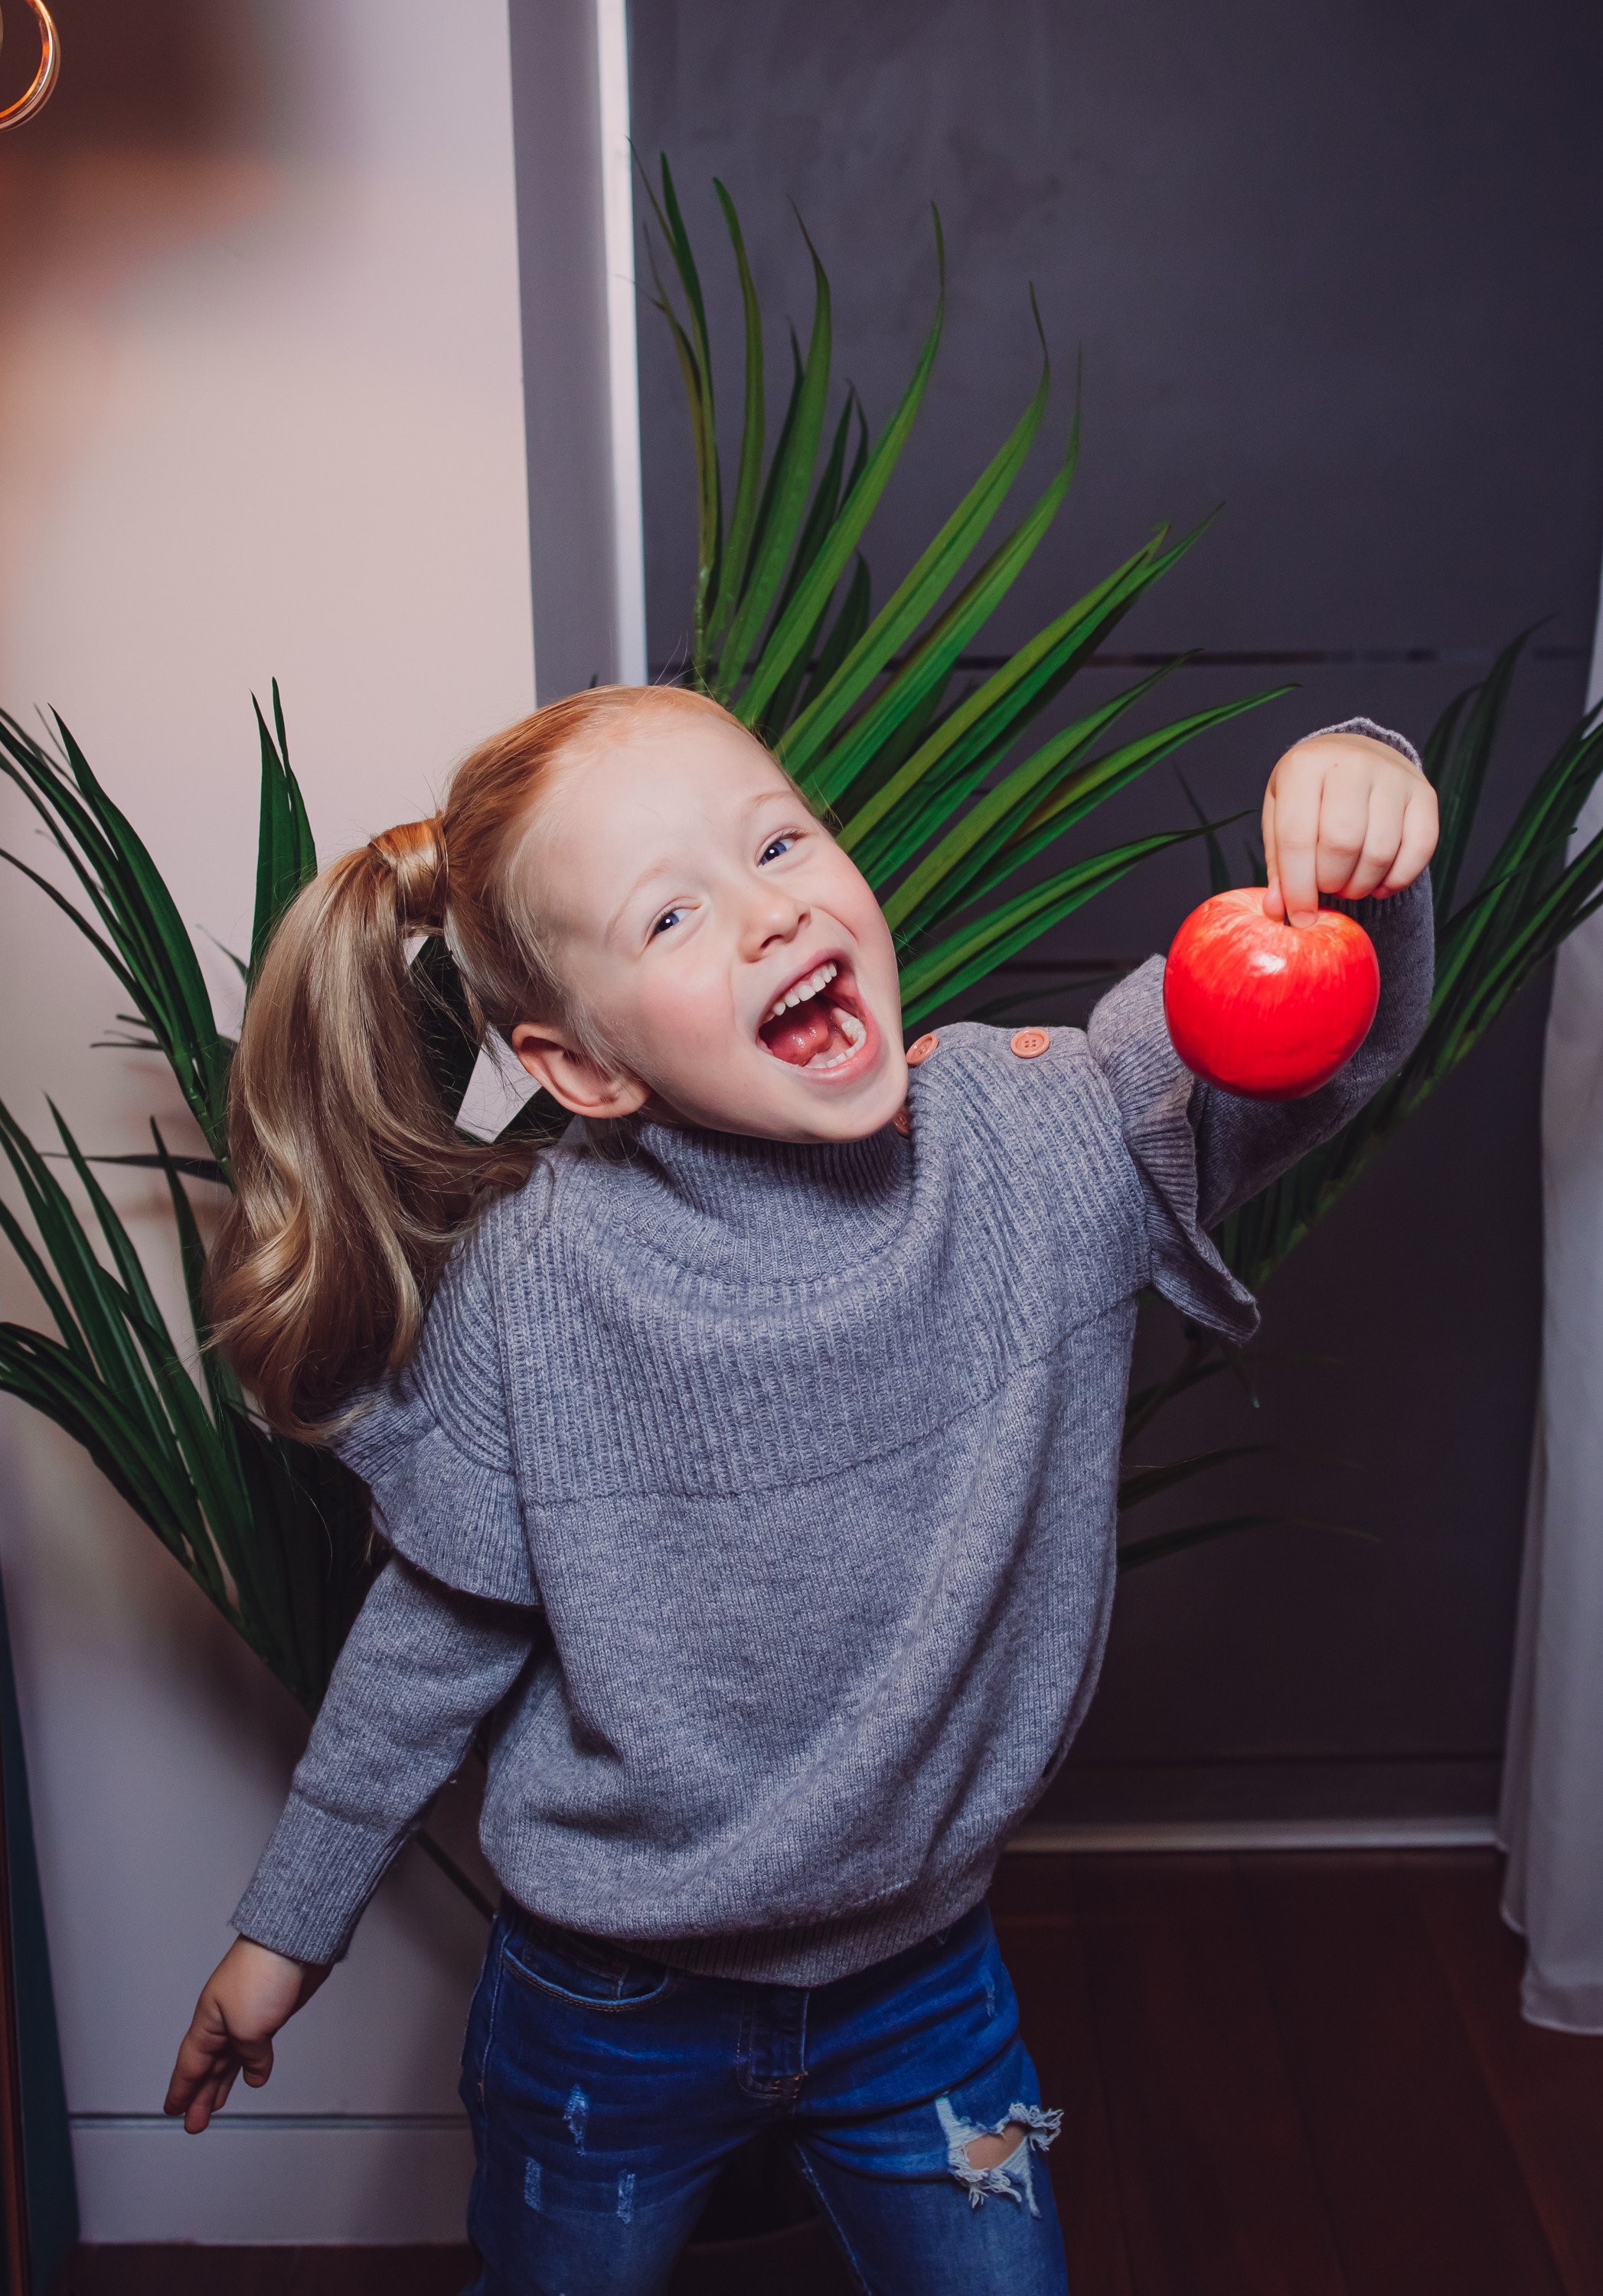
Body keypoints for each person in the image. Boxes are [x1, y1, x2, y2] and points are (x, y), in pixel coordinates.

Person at [163, 683, 1438, 2294]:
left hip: (925, 1988)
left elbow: (1299, 1053)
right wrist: (284, 1935)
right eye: (676, 911)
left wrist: (1360, 823)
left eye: (779, 840)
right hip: (604, 2003)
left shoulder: (1043, 1136)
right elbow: (437, 1638)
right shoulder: (539, 1290)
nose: (771, 909)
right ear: (582, 1064)